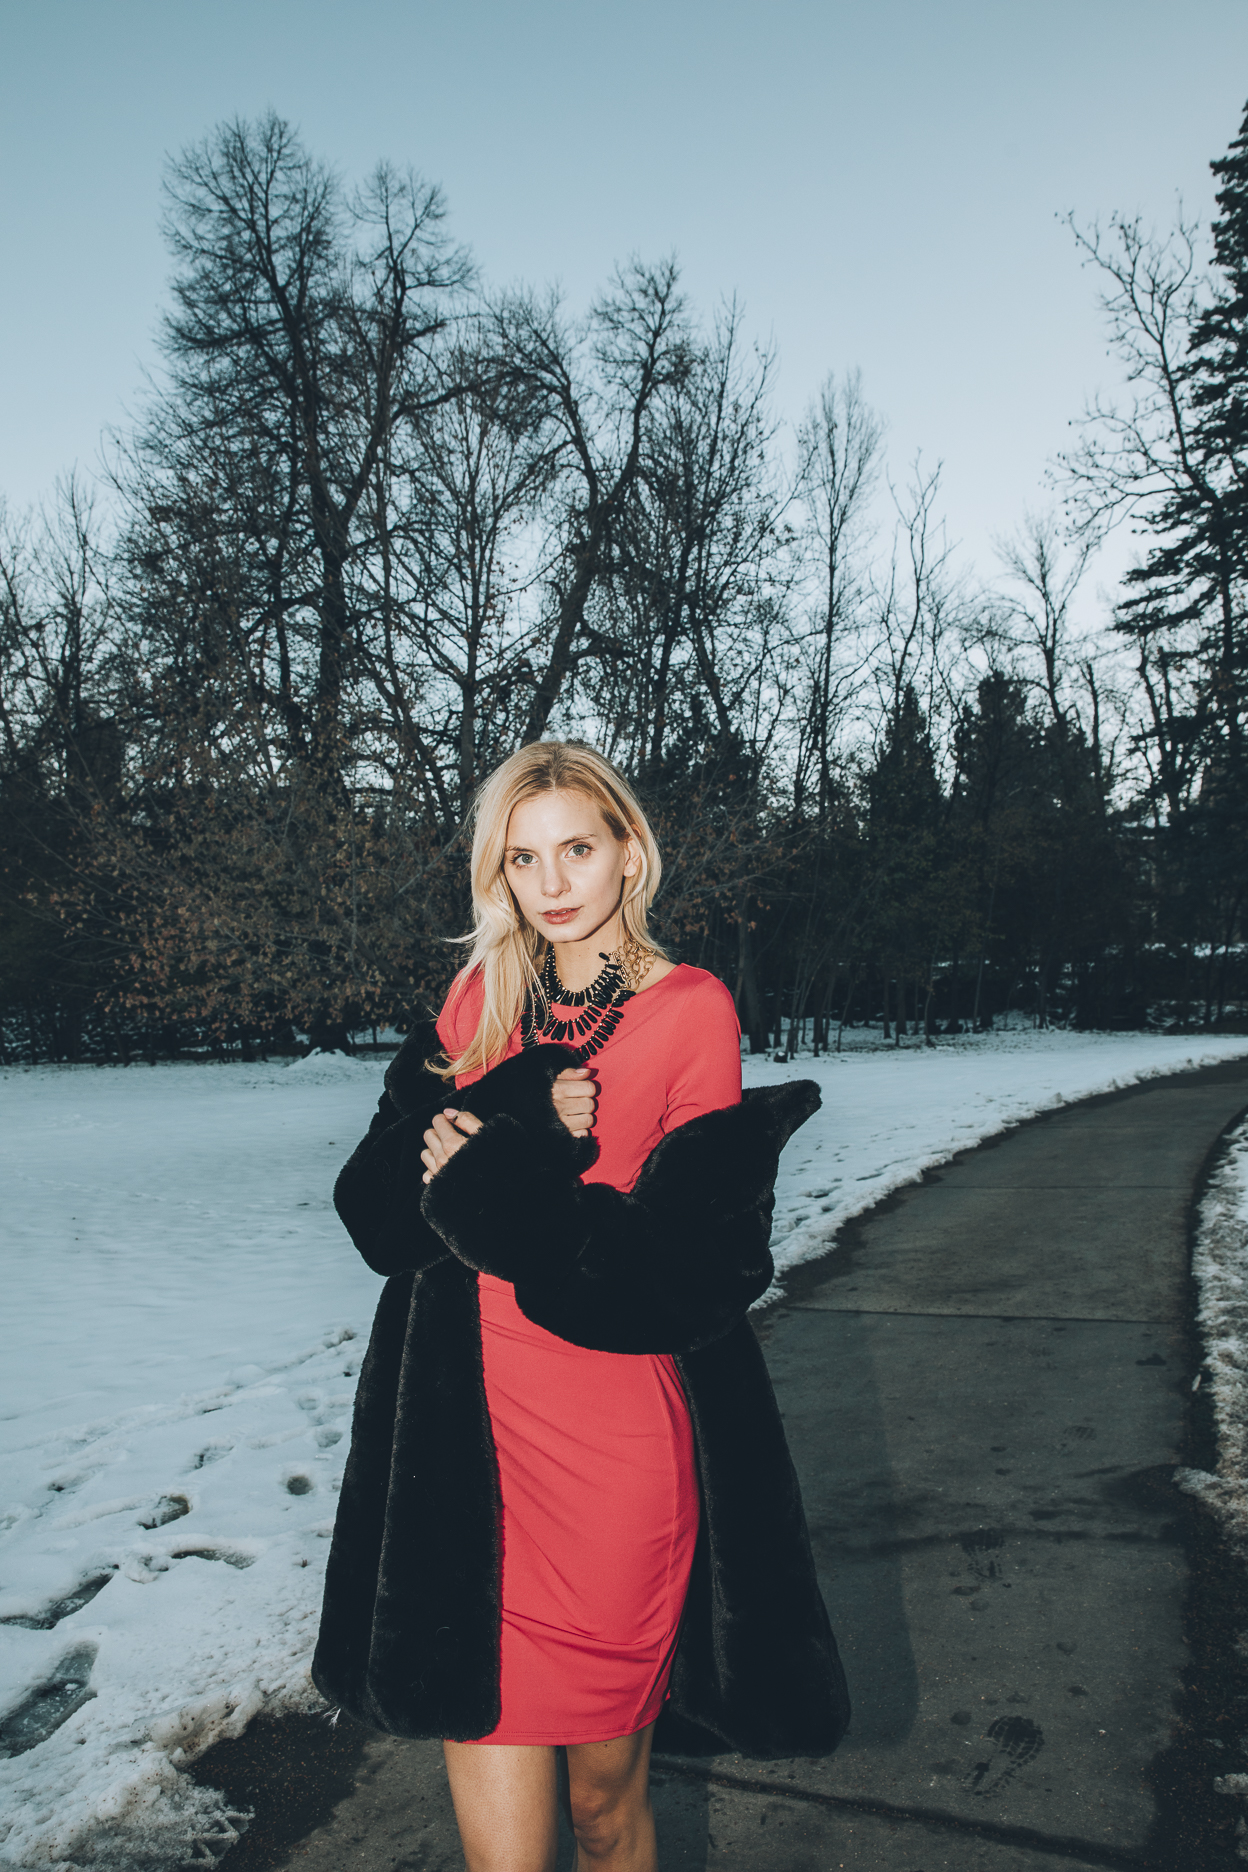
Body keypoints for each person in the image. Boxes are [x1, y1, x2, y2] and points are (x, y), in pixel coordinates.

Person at [313, 741, 849, 1872]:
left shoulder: (690, 1010)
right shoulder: (478, 1000)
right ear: (496, 873)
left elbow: (690, 1272)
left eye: (577, 848)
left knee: (607, 1818)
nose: (552, 883)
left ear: (628, 853)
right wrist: (515, 1105)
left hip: (613, 1452)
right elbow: (375, 1216)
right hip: (466, 1458)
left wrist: (502, 1187)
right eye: (523, 858)